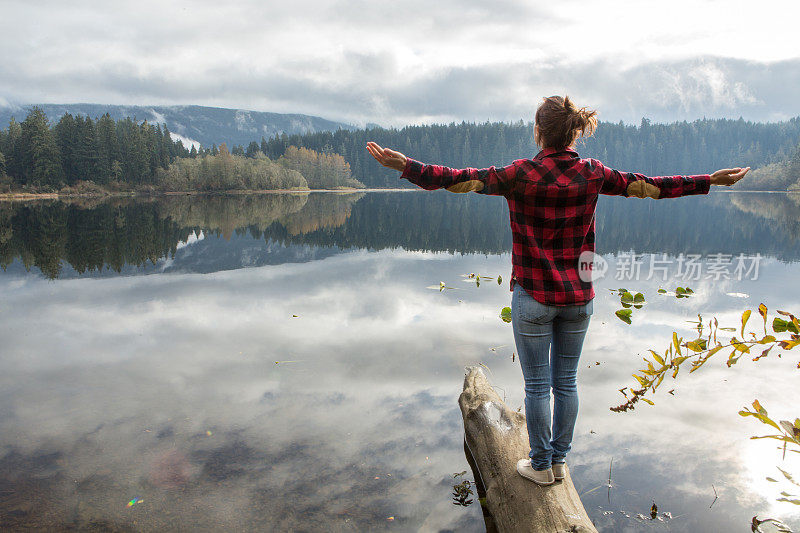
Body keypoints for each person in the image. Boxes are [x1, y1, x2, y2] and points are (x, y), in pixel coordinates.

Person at [365, 96, 749, 486]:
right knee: (566, 382)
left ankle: (541, 464)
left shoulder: (520, 174)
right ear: (574, 133)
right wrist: (709, 181)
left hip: (533, 296)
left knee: (536, 385)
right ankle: (560, 461)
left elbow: (458, 179)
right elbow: (650, 186)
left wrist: (407, 166)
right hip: (578, 299)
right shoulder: (593, 173)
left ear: (539, 131)